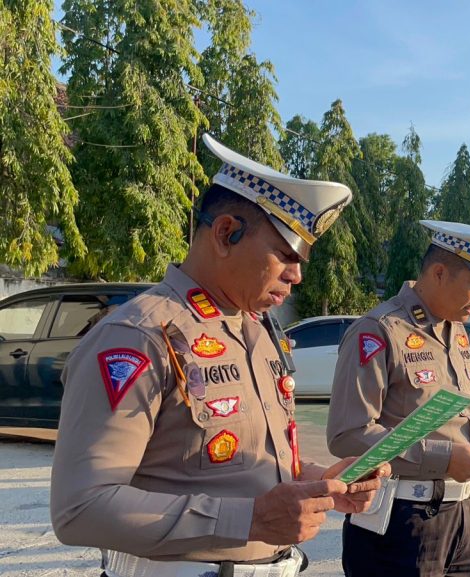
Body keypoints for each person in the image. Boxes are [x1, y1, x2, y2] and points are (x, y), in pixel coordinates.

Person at [49, 134, 388, 577]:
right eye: (286, 253)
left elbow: (240, 467)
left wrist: (317, 480)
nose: (298, 274)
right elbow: (80, 507)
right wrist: (251, 519)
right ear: (227, 233)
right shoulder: (139, 336)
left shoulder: (260, 332)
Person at [327, 220, 470, 577]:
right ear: (438, 273)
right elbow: (347, 434)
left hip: (461, 514)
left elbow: (461, 413)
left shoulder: (457, 332)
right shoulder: (379, 330)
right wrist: (444, 458)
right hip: (400, 519)